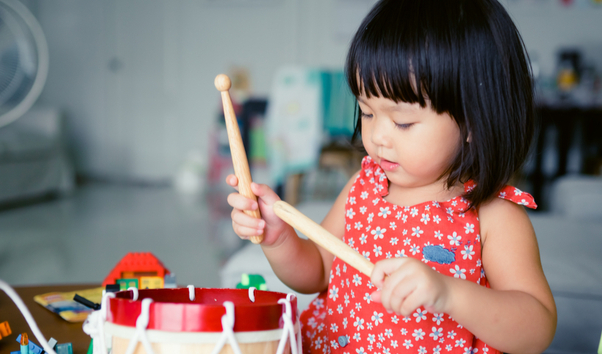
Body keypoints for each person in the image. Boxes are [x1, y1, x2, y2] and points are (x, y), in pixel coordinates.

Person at [226, 0, 557, 353]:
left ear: (473, 120)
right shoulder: (363, 189)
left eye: (402, 122)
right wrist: (279, 240)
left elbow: (536, 328)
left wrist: (449, 294)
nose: (378, 137)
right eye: (367, 113)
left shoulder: (492, 215)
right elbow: (317, 275)